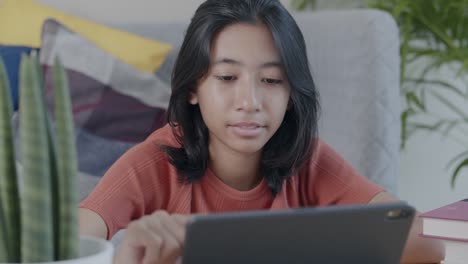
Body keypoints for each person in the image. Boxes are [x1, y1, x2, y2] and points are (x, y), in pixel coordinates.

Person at [79, 0, 444, 263]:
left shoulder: (309, 160)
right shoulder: (153, 161)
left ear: (290, 94)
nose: (250, 101)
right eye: (226, 77)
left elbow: (426, 245)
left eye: (271, 80)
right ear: (193, 88)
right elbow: (66, 244)